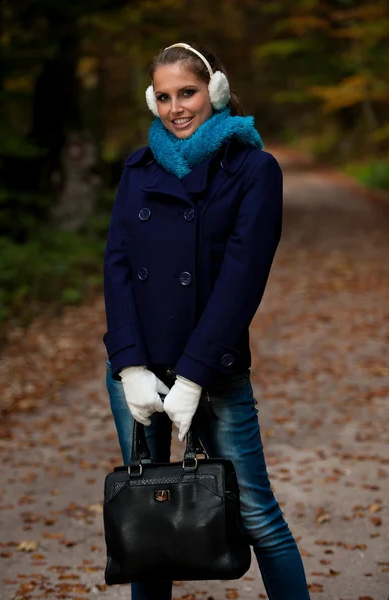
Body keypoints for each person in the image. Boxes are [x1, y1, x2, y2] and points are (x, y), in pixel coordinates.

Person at [103, 42, 310, 600]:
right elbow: (117, 266)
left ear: (214, 91)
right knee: (144, 520)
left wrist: (194, 375)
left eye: (188, 92)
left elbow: (242, 281)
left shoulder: (254, 170)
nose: (177, 108)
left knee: (258, 516)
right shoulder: (139, 167)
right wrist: (128, 365)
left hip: (212, 368)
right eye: (165, 96)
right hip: (139, 369)